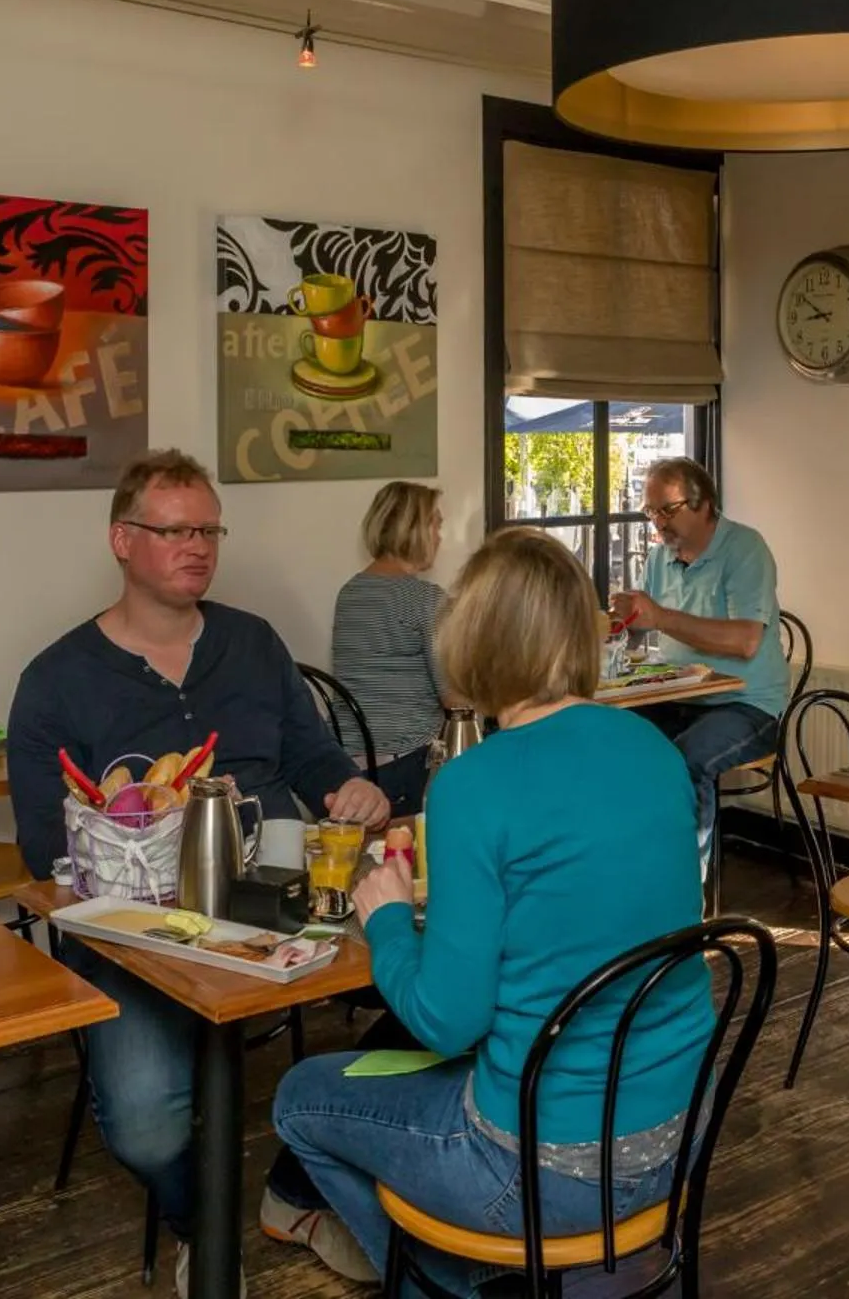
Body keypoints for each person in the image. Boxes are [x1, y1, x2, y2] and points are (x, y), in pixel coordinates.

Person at [272, 528, 714, 1296]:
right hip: (682, 1135)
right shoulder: (655, 749)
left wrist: (384, 916)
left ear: (472, 641)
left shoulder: (473, 784)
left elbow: (447, 1022)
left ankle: (440, 1286)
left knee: (301, 1096)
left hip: (538, 1172)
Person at [7, 447, 392, 1296]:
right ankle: (201, 1226)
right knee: (147, 1123)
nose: (198, 547)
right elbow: (43, 850)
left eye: (209, 531)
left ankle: (295, 1189)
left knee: (432, 999)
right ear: (122, 539)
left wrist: (347, 785)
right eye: (176, 531)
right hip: (137, 935)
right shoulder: (56, 681)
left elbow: (310, 754)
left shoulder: (252, 642)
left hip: (282, 901)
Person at [608, 457, 787, 857]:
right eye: (651, 512)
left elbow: (746, 641)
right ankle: (629, 859)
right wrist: (620, 623)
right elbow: (640, 629)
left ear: (703, 504)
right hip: (677, 696)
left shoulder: (745, 549)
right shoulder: (659, 558)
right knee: (609, 738)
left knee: (685, 758)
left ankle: (688, 876)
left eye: (667, 510)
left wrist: (660, 617)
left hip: (747, 704)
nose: (658, 523)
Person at [331, 481, 448, 814]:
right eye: (436, 525)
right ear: (415, 530)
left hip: (346, 766)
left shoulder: (350, 592)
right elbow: (454, 698)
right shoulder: (426, 599)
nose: (440, 537)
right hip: (405, 767)